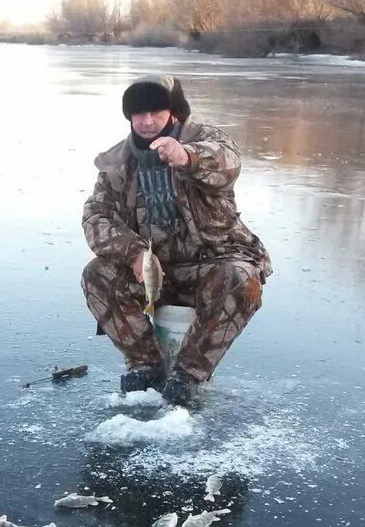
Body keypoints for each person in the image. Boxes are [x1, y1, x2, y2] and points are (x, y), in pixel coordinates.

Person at [81, 73, 272, 407]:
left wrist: (187, 157)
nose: (148, 121)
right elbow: (95, 217)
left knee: (243, 280)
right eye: (139, 114)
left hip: (213, 261)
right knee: (96, 275)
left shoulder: (205, 138)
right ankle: (146, 365)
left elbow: (228, 162)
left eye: (156, 111)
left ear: (173, 111)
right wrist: (135, 252)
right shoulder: (115, 163)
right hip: (155, 270)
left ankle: (187, 376)